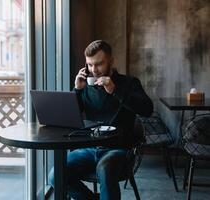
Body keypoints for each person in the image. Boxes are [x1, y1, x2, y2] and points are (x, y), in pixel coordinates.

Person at [48, 40, 153, 200]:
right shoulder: (86, 86)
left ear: (111, 61)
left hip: (119, 150)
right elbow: (69, 117)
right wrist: (77, 90)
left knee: (105, 168)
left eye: (99, 64)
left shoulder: (129, 83)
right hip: (88, 148)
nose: (94, 70)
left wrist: (115, 90)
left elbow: (147, 110)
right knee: (55, 175)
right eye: (89, 65)